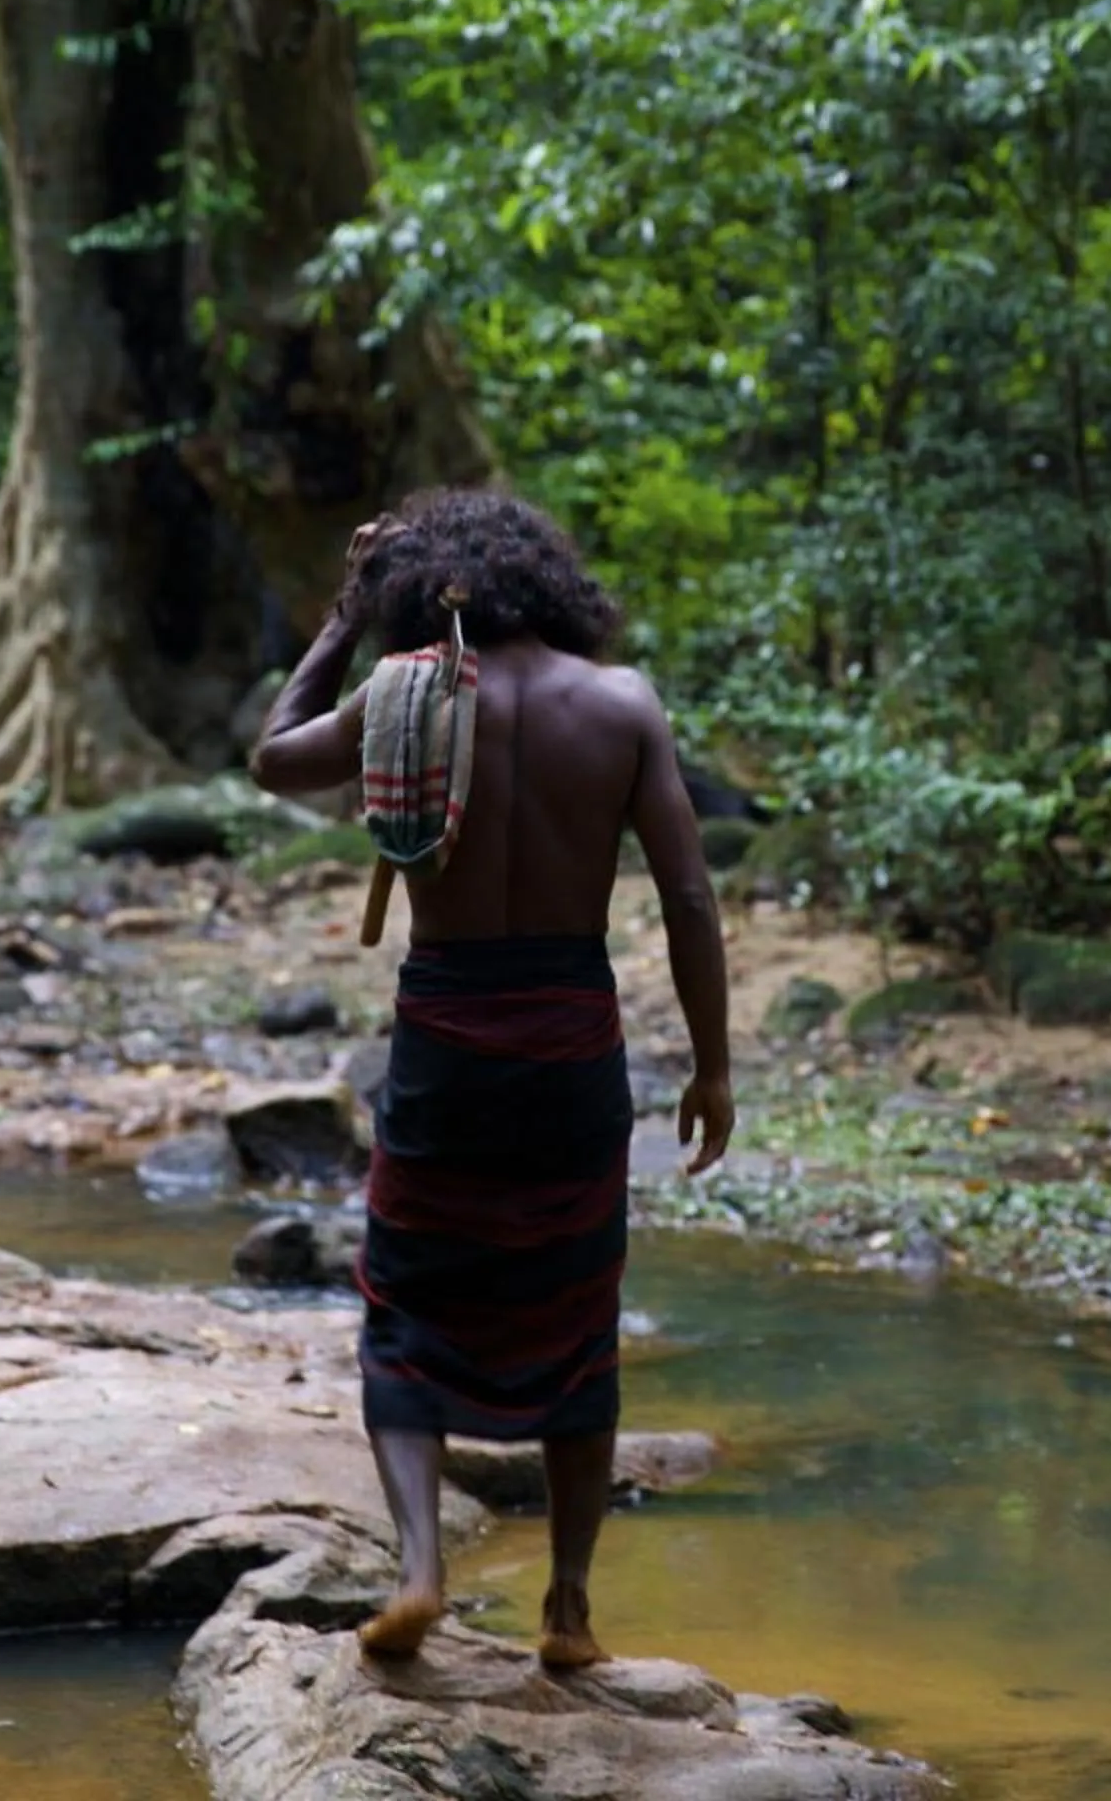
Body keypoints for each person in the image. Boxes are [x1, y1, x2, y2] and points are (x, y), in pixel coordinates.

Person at [248, 489, 735, 1670]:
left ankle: (420, 1567)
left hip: (448, 1031)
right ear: (551, 581)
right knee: (577, 1312)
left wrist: (339, 620)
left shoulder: (402, 689)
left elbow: (272, 758)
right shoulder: (621, 704)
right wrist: (713, 1065)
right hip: (572, 1037)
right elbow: (686, 894)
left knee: (408, 1304)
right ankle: (567, 1609)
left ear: (422, 590)